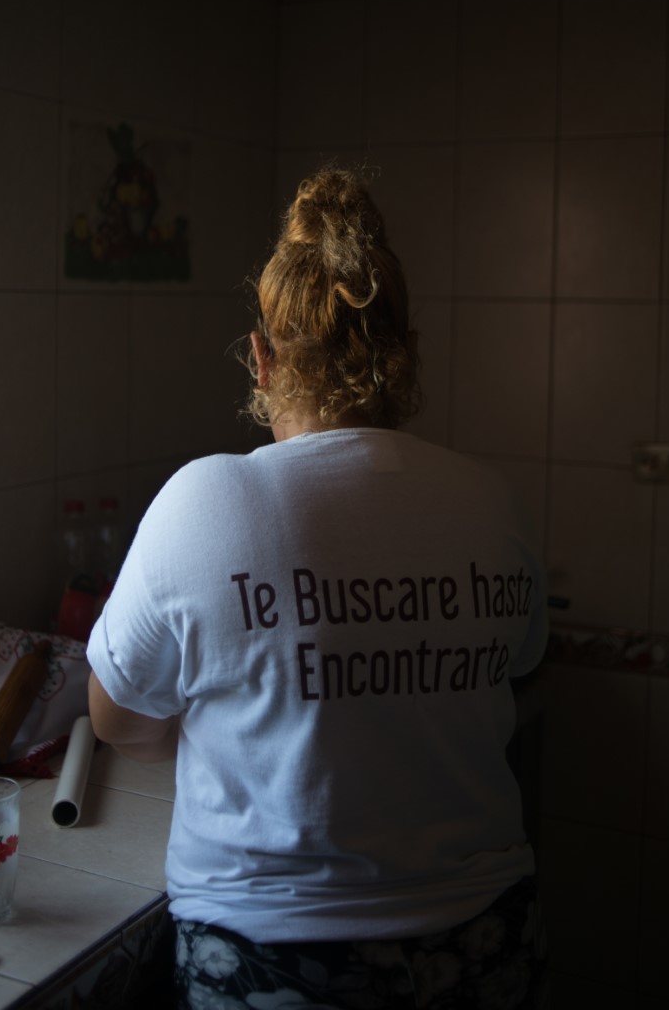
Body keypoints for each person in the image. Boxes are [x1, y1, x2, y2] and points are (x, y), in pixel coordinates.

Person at [87, 166, 548, 1009]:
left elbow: (116, 719)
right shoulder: (493, 501)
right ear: (403, 354)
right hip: (483, 946)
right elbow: (513, 675)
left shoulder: (204, 501)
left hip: (272, 954)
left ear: (261, 358)